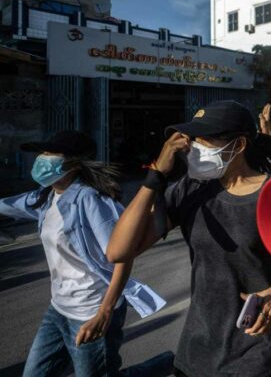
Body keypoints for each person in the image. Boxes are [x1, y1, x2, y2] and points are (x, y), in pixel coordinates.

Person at [105, 101, 271, 376]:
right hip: (197, 348)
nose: (194, 148)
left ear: (239, 145)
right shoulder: (190, 189)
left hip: (257, 350)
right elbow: (118, 251)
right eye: (193, 140)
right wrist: (155, 175)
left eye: (205, 140)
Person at [0, 130, 169, 377]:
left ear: (72, 163)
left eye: (49, 154)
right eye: (41, 153)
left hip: (91, 310)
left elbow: (122, 256)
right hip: (58, 309)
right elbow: (8, 205)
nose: (41, 159)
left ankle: (165, 365)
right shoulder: (44, 198)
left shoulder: (92, 200)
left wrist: (105, 313)